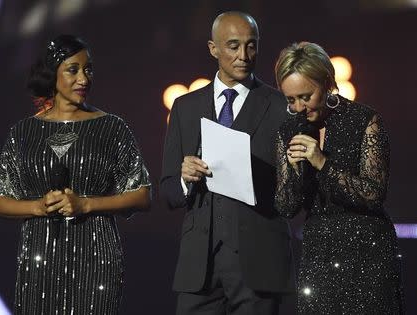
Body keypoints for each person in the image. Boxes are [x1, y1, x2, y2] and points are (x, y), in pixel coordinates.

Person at [0, 34, 151, 314]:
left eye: (88, 69)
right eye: (73, 70)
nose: (84, 79)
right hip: (38, 262)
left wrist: (86, 203)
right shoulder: (23, 133)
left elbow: (142, 196)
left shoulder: (112, 128)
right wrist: (37, 206)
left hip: (97, 262)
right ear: (53, 73)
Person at [161, 11, 295, 315]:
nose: (244, 56)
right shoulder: (185, 107)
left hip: (258, 264)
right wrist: (184, 178)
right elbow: (168, 191)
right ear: (213, 49)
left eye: (251, 45)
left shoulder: (280, 107)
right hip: (200, 268)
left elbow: (294, 193)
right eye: (233, 46)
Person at [274, 41, 404, 314]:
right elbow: (286, 206)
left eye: (306, 96)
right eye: (290, 99)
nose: (299, 107)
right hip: (319, 253)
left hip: (367, 250)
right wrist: (294, 168)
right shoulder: (288, 129)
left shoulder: (364, 119)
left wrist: (321, 162)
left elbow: (373, 193)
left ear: (326, 82)